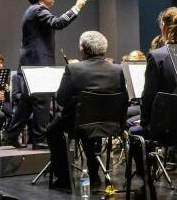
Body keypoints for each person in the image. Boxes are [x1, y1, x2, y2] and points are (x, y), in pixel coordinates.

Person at [3, 0, 86, 149]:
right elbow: (58, 23)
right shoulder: (38, 10)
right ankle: (39, 139)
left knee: (27, 101)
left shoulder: (33, 11)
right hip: (37, 61)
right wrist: (76, 8)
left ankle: (10, 135)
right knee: (42, 98)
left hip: (31, 60)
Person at [129, 7, 177, 200]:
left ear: (163, 26)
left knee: (134, 132)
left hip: (163, 128)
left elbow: (148, 97)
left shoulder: (157, 56)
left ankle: (148, 186)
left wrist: (144, 120)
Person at [46, 31, 126, 190]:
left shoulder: (74, 69)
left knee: (52, 130)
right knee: (91, 125)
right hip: (111, 124)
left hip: (80, 124)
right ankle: (94, 174)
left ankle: (63, 177)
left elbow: (61, 99)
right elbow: (124, 97)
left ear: (83, 49)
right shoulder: (117, 70)